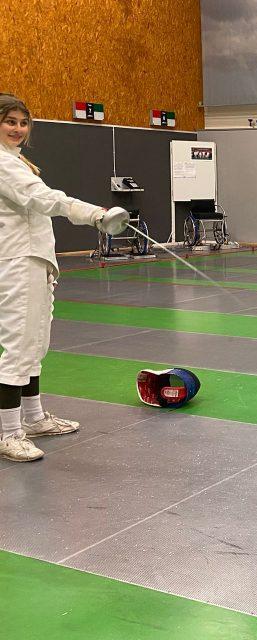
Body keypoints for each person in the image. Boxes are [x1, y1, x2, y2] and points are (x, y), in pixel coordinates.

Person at [0, 94, 122, 462]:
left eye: (23, 122)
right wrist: (95, 214)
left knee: (34, 343)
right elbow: (44, 200)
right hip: (18, 261)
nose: (18, 129)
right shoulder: (4, 165)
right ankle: (8, 433)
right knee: (19, 346)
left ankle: (34, 418)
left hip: (34, 260)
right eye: (10, 121)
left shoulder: (17, 161)